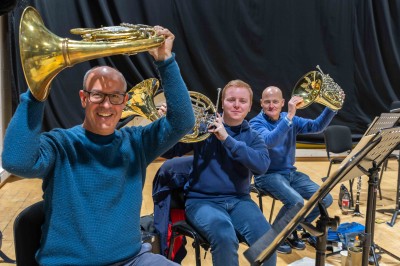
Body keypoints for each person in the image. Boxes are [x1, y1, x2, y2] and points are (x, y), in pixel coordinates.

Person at [1, 27, 195, 266]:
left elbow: (183, 122)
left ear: (124, 101)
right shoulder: (61, 144)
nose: (107, 105)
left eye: (115, 97)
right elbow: (16, 161)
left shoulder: (137, 142)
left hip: (132, 260)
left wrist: (165, 60)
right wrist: (36, 92)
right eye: (98, 95)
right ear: (83, 98)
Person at [161, 80, 277, 266]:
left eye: (242, 101)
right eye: (231, 100)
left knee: (269, 241)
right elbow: (168, 152)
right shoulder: (203, 128)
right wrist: (168, 124)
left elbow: (261, 165)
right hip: (202, 201)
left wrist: (226, 139)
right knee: (224, 236)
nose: (237, 105)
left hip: (240, 201)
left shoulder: (253, 136)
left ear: (249, 107)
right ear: (222, 103)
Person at [249, 86, 336, 254]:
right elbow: (269, 141)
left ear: (282, 103)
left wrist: (332, 107)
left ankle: (290, 230)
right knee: (296, 202)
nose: (271, 105)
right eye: (267, 102)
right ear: (261, 103)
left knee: (325, 199)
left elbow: (317, 126)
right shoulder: (255, 123)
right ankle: (273, 237)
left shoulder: (290, 119)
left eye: (275, 102)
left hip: (290, 173)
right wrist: (289, 116)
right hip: (267, 175)